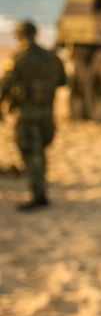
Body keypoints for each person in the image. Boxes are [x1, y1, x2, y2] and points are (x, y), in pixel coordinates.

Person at [0, 20, 67, 210]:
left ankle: (38, 195)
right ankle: (40, 191)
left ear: (20, 36)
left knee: (31, 154)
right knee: (39, 153)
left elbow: (4, 86)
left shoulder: (18, 58)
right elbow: (62, 81)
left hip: (27, 115)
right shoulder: (52, 58)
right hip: (47, 114)